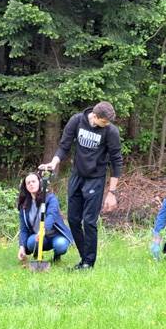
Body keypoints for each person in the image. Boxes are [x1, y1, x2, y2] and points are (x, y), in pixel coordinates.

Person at [39, 101, 123, 270]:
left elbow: (116, 161)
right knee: (73, 219)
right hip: (77, 176)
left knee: (89, 221)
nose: (107, 124)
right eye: (104, 121)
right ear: (95, 116)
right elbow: (64, 146)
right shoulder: (77, 121)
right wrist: (53, 163)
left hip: (95, 179)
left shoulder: (110, 131)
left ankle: (88, 263)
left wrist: (112, 192)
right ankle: (84, 258)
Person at [17, 172, 74, 264]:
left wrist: (43, 229)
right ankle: (37, 256)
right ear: (26, 186)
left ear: (39, 183)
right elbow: (23, 229)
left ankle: (57, 256)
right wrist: (22, 247)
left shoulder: (51, 198)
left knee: (61, 245)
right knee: (31, 243)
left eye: (33, 181)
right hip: (38, 237)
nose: (31, 184)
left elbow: (51, 215)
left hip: (55, 235)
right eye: (28, 183)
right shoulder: (24, 206)